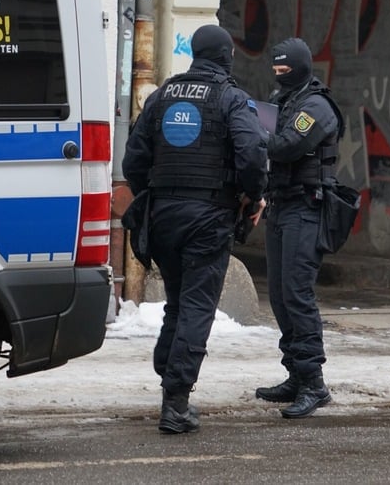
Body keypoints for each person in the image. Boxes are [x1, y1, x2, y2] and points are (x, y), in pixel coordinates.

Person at [122, 24, 267, 434]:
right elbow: (253, 154)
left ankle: (168, 370)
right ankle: (176, 403)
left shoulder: (161, 96)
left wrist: (154, 194)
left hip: (162, 217)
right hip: (208, 218)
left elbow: (133, 160)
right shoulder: (230, 98)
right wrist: (253, 196)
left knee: (178, 302)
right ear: (225, 57)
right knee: (197, 307)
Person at [256, 37, 343, 419]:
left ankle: (314, 384)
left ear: (300, 67)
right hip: (281, 206)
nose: (279, 76)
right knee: (278, 294)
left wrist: (252, 133)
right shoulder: (284, 100)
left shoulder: (316, 106)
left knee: (296, 293)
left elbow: (288, 145)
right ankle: (296, 372)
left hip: (307, 209)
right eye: (275, 70)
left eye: (284, 69)